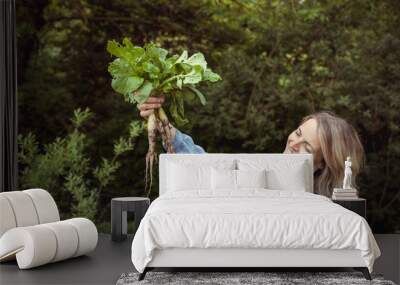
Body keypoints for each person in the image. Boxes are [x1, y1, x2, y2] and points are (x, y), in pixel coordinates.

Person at [137, 95, 364, 197]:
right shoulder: (257, 169)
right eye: (297, 133)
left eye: (308, 147)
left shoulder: (322, 208)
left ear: (322, 167)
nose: (294, 143)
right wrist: (159, 119)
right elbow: (203, 162)